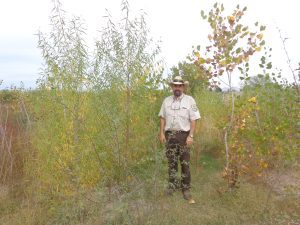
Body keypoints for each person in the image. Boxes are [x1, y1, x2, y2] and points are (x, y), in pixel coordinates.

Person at [158, 76, 201, 204]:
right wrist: (161, 133)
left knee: (185, 164)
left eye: (179, 85)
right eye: (175, 85)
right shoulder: (166, 101)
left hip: (184, 136)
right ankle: (172, 186)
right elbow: (162, 118)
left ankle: (186, 190)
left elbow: (194, 119)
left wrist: (191, 136)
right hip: (169, 135)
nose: (177, 87)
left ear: (183, 87)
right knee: (172, 163)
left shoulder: (190, 101)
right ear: (172, 87)